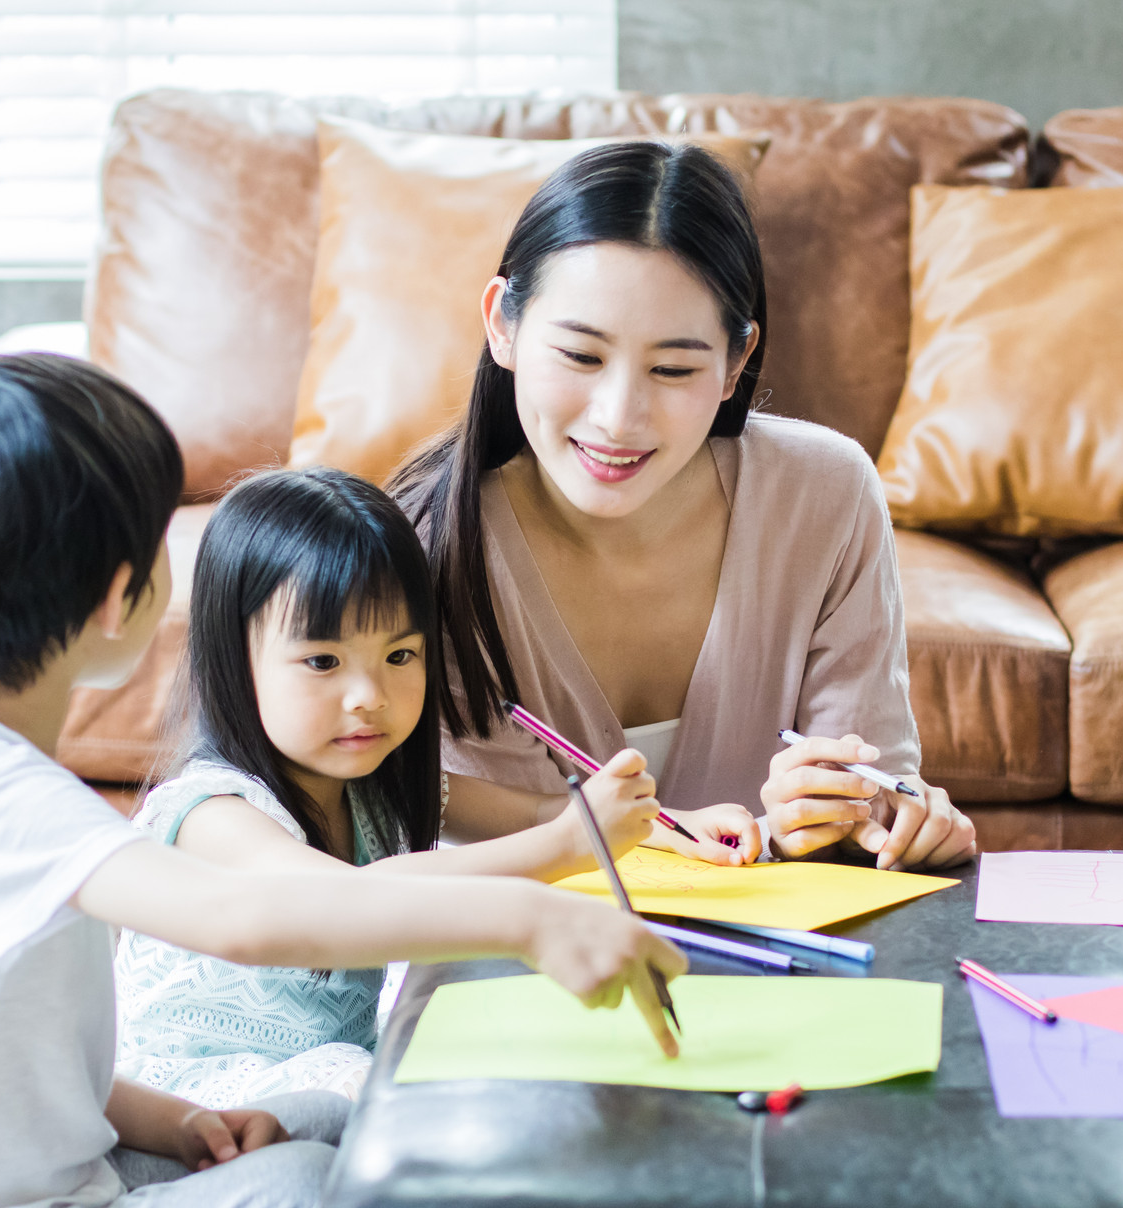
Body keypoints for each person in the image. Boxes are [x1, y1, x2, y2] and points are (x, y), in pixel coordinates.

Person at [0, 355, 685, 1208]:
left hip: (17, 1205)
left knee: (341, 1124)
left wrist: (171, 1124)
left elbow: (25, 1066)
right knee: (315, 1189)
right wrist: (531, 914)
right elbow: (244, 920)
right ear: (118, 592)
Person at [393, 140, 978, 872]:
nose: (618, 417)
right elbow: (427, 825)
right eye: (580, 356)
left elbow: (871, 794)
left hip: (780, 965)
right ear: (502, 325)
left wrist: (867, 821)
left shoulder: (826, 496)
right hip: (524, 960)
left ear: (737, 363)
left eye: (673, 368)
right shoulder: (423, 544)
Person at [116, 466, 679, 1108]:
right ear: (232, 658)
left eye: (400, 656)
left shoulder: (373, 786)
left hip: (328, 1076)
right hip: (191, 1098)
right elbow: (345, 900)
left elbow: (544, 814)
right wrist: (562, 847)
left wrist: (671, 825)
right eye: (323, 662)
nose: (369, 697)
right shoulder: (211, 813)